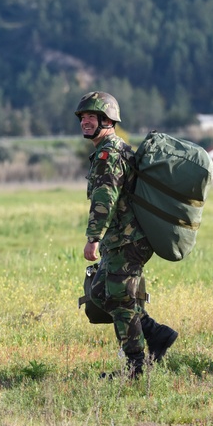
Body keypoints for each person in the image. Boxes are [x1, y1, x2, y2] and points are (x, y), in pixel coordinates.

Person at [78, 91, 178, 380]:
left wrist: (93, 237)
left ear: (107, 120)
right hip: (122, 239)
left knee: (119, 301)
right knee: (100, 293)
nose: (85, 121)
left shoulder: (110, 153)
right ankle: (157, 334)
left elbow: (104, 198)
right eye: (82, 117)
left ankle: (134, 369)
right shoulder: (108, 149)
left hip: (129, 240)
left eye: (91, 117)